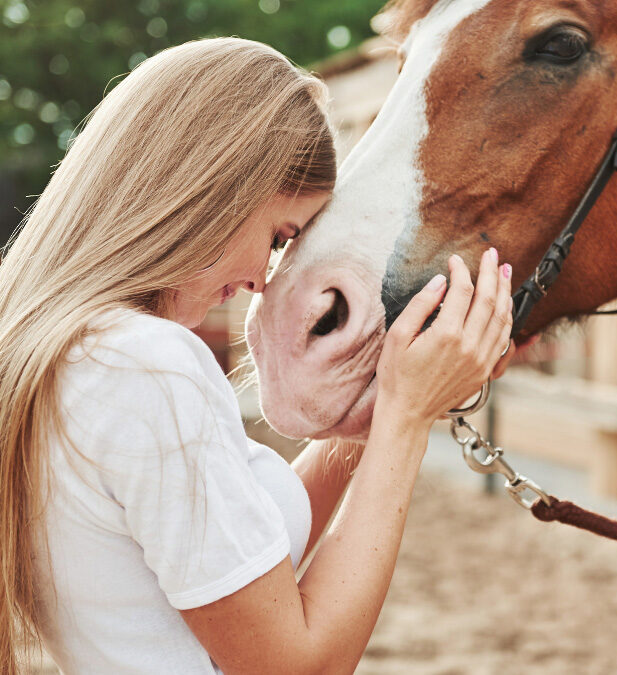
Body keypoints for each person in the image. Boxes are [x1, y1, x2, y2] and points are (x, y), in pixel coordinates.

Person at [0, 38, 514, 674]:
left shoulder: (78, 356)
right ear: (211, 191)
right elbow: (296, 666)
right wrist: (406, 419)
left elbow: (235, 561)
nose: (263, 280)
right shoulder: (148, 368)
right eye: (279, 237)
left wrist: (389, 391)